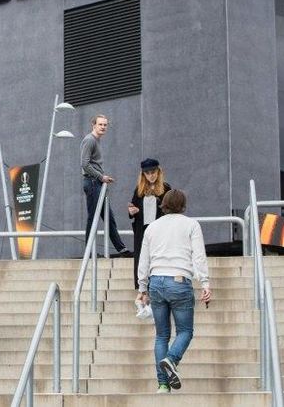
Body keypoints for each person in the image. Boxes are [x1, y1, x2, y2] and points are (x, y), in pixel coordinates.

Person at [137, 189, 212, 394]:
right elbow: (199, 257)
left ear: (164, 205)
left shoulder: (152, 227)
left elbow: (144, 258)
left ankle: (163, 385)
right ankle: (171, 360)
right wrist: (205, 283)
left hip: (156, 282)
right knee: (185, 331)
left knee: (161, 335)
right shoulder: (191, 225)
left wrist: (142, 287)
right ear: (183, 205)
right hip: (179, 281)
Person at [80, 114, 132, 257]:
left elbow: (92, 163)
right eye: (100, 124)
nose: (103, 127)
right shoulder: (90, 140)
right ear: (94, 125)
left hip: (97, 182)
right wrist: (101, 176)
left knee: (109, 217)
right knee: (93, 217)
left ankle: (121, 249)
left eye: (105, 125)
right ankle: (89, 252)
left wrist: (101, 178)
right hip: (92, 182)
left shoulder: (96, 140)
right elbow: (84, 164)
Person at [128, 158, 171, 290]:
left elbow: (171, 208)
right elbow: (133, 209)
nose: (151, 175)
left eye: (153, 172)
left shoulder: (166, 188)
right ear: (143, 174)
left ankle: (160, 282)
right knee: (142, 256)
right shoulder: (139, 190)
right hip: (143, 229)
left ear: (158, 172)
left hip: (160, 229)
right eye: (147, 173)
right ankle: (142, 285)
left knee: (160, 255)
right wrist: (132, 211)